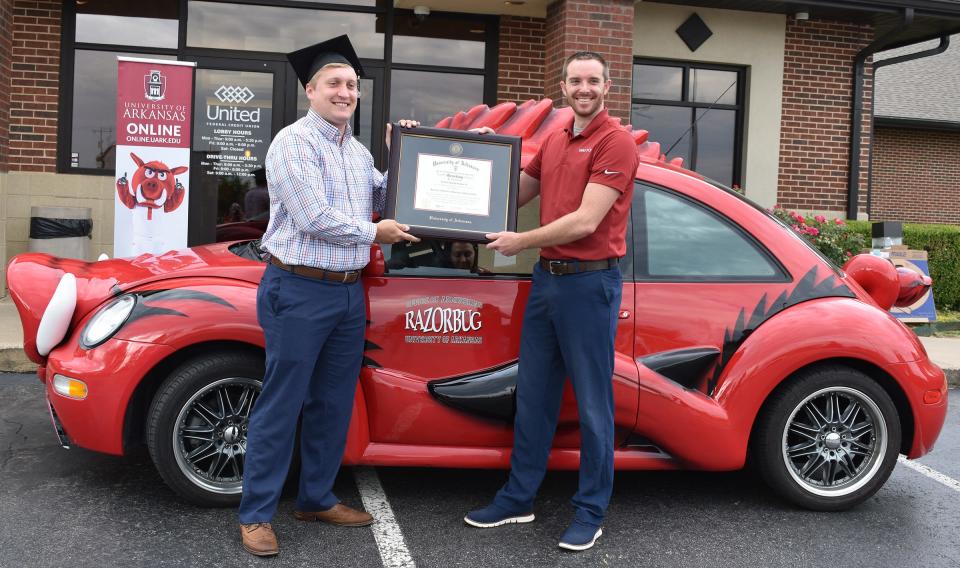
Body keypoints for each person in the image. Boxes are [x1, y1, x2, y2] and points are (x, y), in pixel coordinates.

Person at [238, 35, 420, 557]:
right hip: (298, 288)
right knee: (283, 403)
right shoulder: (293, 143)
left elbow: (388, 196)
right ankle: (255, 514)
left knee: (331, 402)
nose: (345, 92)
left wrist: (407, 153)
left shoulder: (357, 152)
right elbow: (312, 217)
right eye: (334, 84)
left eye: (351, 86)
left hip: (345, 294)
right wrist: (375, 232)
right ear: (310, 90)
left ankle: (316, 496)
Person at [463, 51, 639, 552]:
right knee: (534, 397)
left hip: (589, 284)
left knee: (592, 407)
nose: (583, 88)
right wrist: (469, 160)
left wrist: (521, 242)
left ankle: (590, 511)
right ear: (563, 86)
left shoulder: (616, 142)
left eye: (593, 81)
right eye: (575, 80)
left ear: (606, 87)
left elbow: (586, 221)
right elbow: (515, 193)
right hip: (548, 281)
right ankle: (518, 498)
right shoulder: (557, 138)